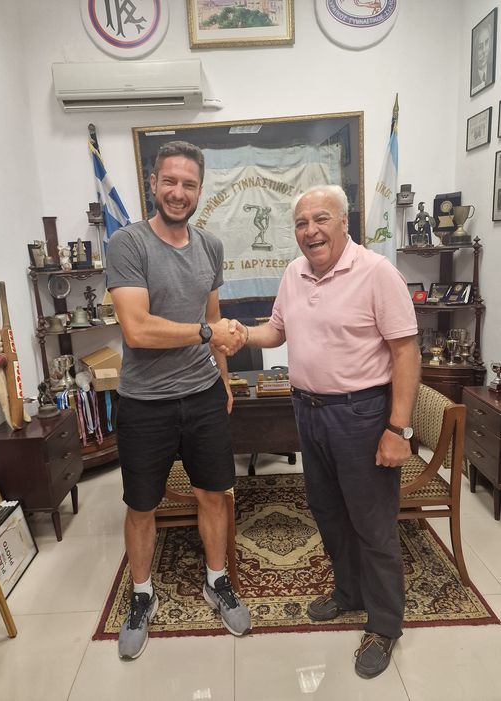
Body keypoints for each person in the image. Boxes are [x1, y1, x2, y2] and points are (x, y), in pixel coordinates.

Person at [243, 185, 419, 679]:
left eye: (321, 219)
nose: (310, 231)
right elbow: (276, 330)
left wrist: (398, 429)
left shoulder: (377, 273)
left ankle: (384, 624)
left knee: (372, 522)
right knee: (328, 510)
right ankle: (349, 591)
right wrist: (239, 333)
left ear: (345, 222)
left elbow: (405, 352)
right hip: (308, 411)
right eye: (301, 223)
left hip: (362, 414)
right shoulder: (293, 273)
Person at [106, 140, 251, 661]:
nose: (178, 192)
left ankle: (217, 580)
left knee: (214, 494)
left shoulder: (210, 246)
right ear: (153, 183)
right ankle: (142, 594)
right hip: (145, 402)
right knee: (141, 505)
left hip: (203, 395)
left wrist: (224, 377)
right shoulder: (127, 243)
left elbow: (212, 315)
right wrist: (206, 335)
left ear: (199, 190)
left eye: (189, 184)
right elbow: (137, 329)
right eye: (169, 181)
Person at [471, 21, 493, 94]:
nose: (484, 51)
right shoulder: (472, 80)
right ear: (474, 51)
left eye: (486, 42)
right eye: (480, 47)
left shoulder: (492, 70)